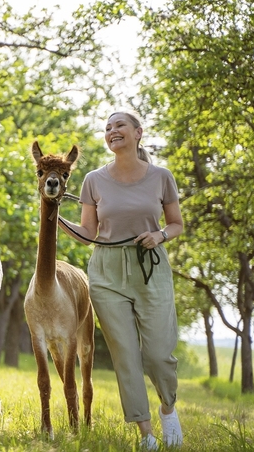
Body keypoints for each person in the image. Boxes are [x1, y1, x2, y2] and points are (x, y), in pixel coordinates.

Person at [59, 111, 184, 449]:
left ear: (137, 133)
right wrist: (53, 215)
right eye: (108, 128)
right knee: (125, 355)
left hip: (150, 267)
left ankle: (168, 410)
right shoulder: (94, 180)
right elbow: (88, 233)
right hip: (107, 273)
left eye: (120, 126)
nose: (112, 131)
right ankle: (146, 435)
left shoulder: (161, 177)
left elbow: (176, 223)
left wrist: (160, 235)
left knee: (158, 354)